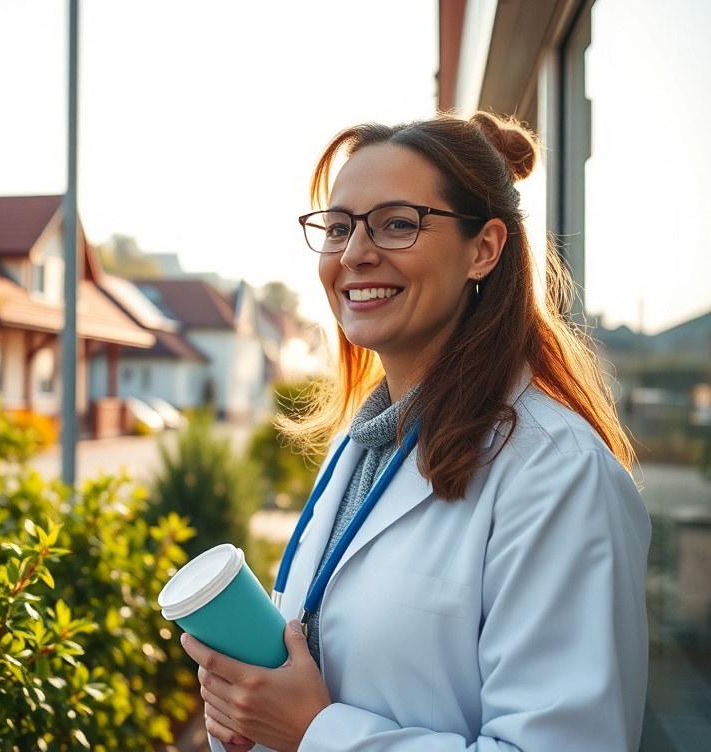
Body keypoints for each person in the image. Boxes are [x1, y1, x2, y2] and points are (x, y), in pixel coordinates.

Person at [180, 111, 651, 752]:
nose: (354, 254)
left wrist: (316, 734)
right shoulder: (362, 445)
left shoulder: (559, 473)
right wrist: (247, 716)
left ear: (483, 249)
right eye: (338, 227)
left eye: (398, 224)